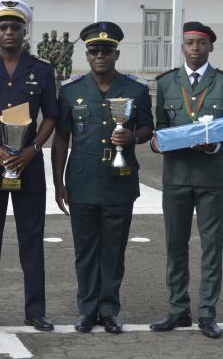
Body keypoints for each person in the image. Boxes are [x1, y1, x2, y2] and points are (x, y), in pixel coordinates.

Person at [51, 21, 153, 334]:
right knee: (85, 251)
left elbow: (149, 128)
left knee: (113, 250)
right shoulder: (70, 91)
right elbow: (61, 139)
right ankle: (86, 310)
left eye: (106, 50)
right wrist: (58, 183)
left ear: (116, 54)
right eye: (94, 50)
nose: (100, 55)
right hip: (81, 182)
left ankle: (108, 310)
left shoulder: (135, 90)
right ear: (86, 54)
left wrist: (133, 136)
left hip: (120, 182)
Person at [0, 0, 59, 333]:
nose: (8, 32)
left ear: (24, 31)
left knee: (31, 241)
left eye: (15, 27)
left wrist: (34, 149)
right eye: (2, 27)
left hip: (29, 166)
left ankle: (35, 311)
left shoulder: (42, 69)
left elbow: (51, 115)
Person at [149, 21, 223, 339]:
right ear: (182, 46)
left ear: (210, 47)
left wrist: (214, 143)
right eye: (189, 43)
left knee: (211, 247)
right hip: (175, 177)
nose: (195, 49)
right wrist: (156, 142)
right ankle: (177, 309)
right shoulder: (167, 84)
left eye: (201, 43)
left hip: (212, 176)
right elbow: (158, 128)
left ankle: (207, 313)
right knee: (176, 245)